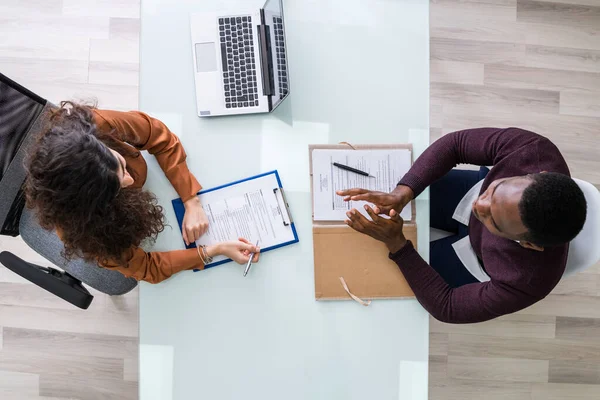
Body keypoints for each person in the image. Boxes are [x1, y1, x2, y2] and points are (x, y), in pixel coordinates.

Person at [337, 127, 587, 324]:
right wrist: (403, 191)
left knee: (370, 265)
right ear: (534, 174)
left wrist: (398, 245)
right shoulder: (533, 151)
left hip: (476, 260)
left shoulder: (529, 281)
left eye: (495, 221)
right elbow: (455, 145)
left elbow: (447, 307)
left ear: (528, 244)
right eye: (495, 191)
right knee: (395, 185)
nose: (479, 207)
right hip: (464, 192)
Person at [25, 102, 259, 284]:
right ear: (96, 205)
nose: (130, 178)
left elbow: (156, 135)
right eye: (117, 184)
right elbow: (148, 268)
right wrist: (214, 250)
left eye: (120, 162)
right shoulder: (85, 232)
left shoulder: (95, 125)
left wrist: (190, 199)